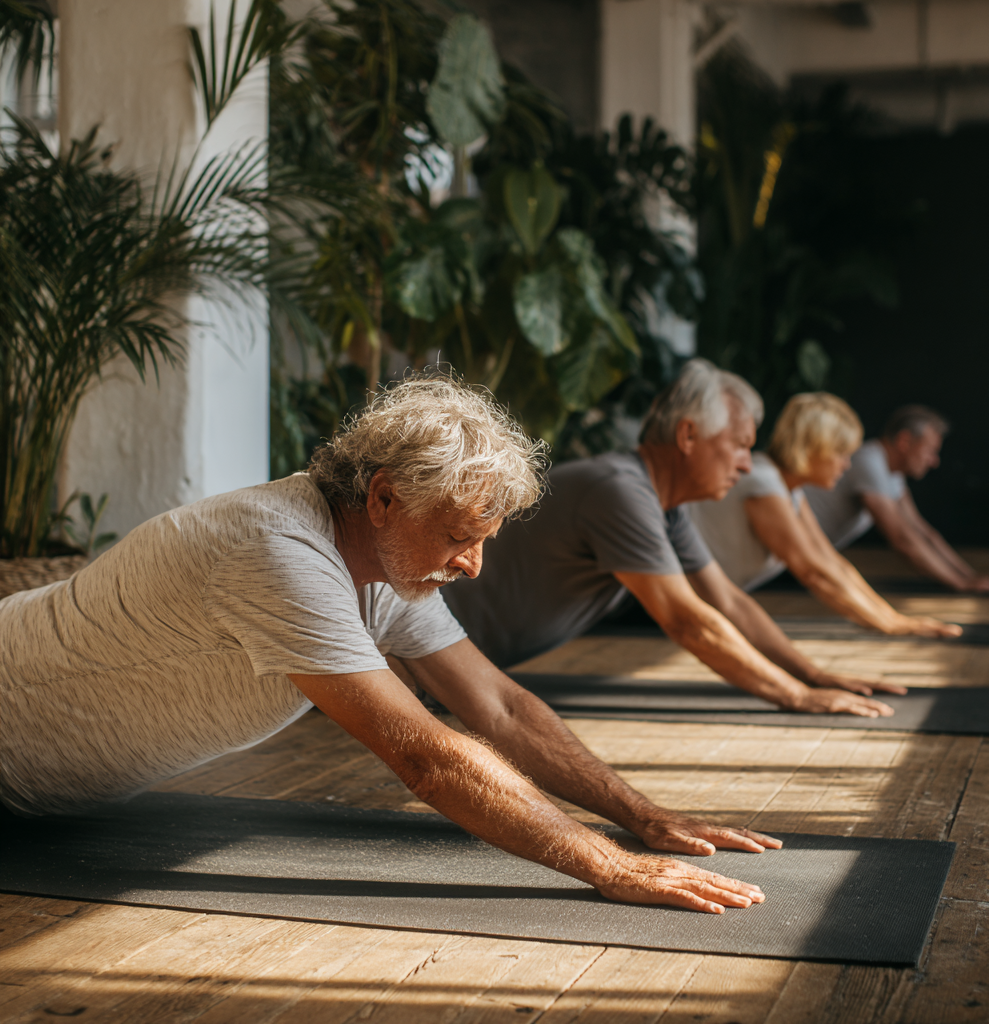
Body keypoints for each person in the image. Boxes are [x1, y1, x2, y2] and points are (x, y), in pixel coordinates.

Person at [0, 374, 776, 916]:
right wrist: (608, 865)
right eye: (461, 537)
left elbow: (499, 707)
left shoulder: (386, 565)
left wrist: (643, 818)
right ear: (382, 496)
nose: (473, 565)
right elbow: (427, 756)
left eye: (485, 540)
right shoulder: (276, 552)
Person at [444, 360, 905, 719]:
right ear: (688, 435)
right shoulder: (619, 490)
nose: (747, 464)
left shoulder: (666, 504)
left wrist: (813, 675)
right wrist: (797, 696)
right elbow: (688, 622)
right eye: (740, 444)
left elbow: (727, 600)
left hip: (454, 669)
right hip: (418, 663)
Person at [690, 392, 961, 638]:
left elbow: (829, 560)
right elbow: (813, 573)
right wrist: (890, 625)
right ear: (812, 447)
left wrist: (893, 618)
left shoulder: (789, 489)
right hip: (668, 603)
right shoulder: (764, 482)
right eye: (841, 453)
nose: (847, 464)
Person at [804, 405, 989, 593]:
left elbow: (921, 531)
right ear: (905, 441)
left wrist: (970, 576)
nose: (934, 461)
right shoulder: (870, 462)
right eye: (930, 451)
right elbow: (902, 540)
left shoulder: (892, 473)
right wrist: (959, 583)